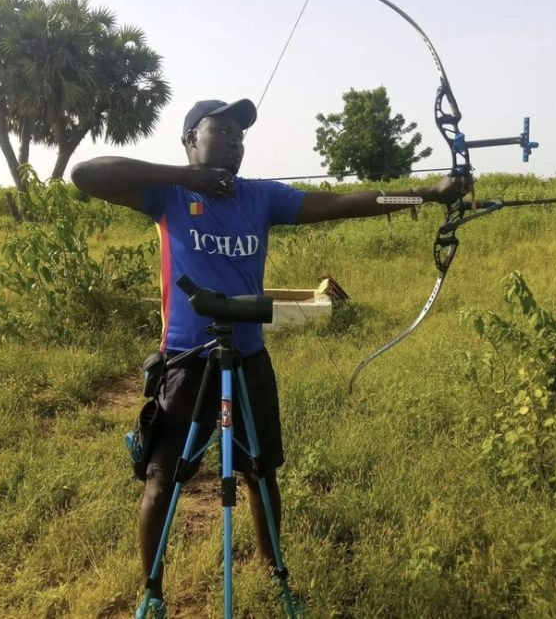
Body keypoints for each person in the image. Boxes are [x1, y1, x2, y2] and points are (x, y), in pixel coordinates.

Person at [71, 98, 467, 617]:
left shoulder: (261, 198)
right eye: (221, 130)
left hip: (249, 356)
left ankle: (273, 572)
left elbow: (342, 202)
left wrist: (426, 193)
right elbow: (86, 174)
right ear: (191, 138)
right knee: (163, 477)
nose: (235, 140)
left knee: (260, 472)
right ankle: (153, 592)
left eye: (240, 134)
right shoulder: (164, 195)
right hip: (188, 358)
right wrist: (187, 179)